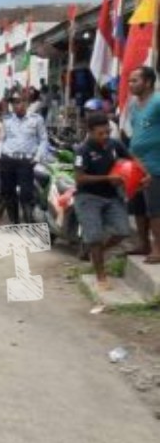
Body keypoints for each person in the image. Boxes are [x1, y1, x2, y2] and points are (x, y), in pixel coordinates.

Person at [74, 113, 141, 289]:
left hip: (112, 196)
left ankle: (98, 252)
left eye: (107, 132)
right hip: (87, 198)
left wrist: (144, 174)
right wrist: (108, 177)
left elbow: (131, 159)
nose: (105, 136)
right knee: (94, 236)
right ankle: (101, 276)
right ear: (90, 132)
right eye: (100, 133)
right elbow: (80, 179)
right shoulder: (83, 150)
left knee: (123, 231)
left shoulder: (114, 144)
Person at [126, 66, 160, 264]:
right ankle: (143, 243)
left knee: (155, 209)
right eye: (130, 81)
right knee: (138, 207)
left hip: (155, 166)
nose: (130, 85)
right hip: (137, 165)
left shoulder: (157, 101)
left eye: (135, 81)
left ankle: (158, 247)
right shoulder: (133, 105)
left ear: (147, 82)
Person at [0, 91, 48, 224]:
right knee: (7, 192)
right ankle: (15, 222)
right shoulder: (7, 120)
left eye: (20, 101)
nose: (17, 105)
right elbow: (2, 139)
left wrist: (37, 157)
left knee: (26, 194)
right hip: (8, 159)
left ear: (26, 103)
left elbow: (43, 140)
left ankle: (28, 221)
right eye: (14, 102)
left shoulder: (36, 119)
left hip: (26, 161)